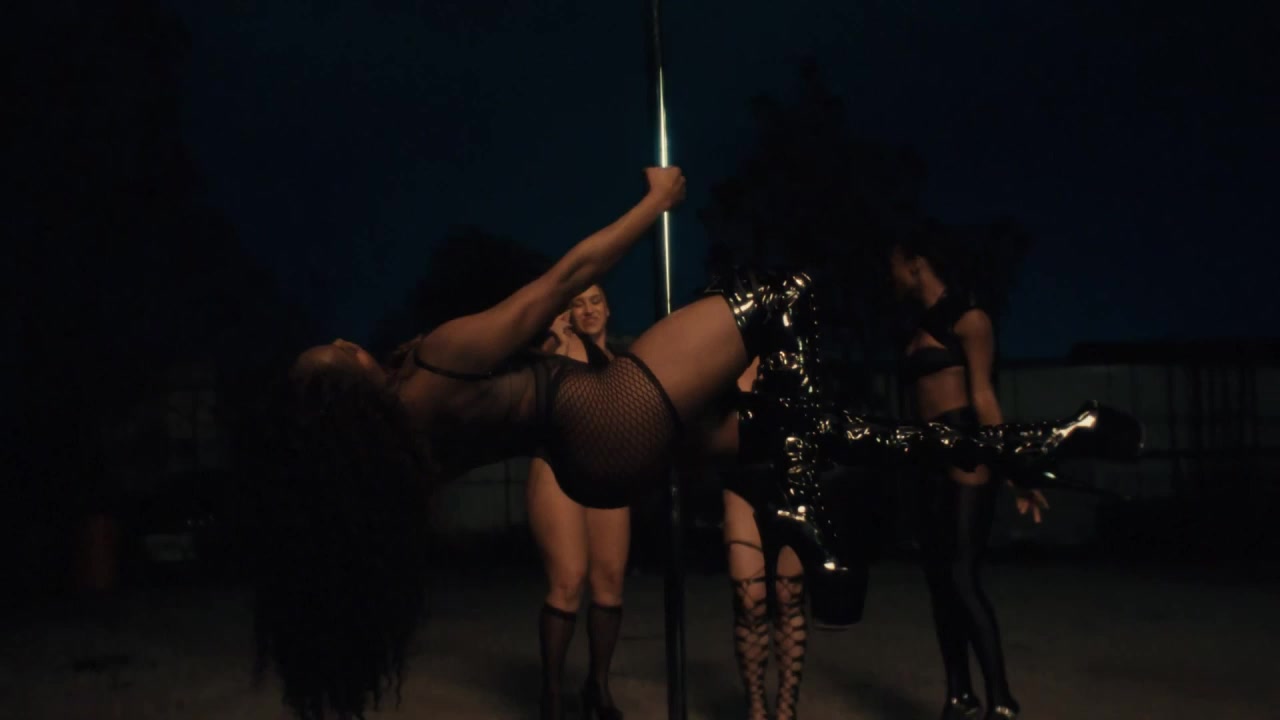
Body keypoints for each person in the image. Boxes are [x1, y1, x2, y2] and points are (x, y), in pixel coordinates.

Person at [256, 166, 1139, 720]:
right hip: (611, 410)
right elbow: (563, 280)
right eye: (336, 355)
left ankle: (1037, 443)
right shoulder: (436, 364)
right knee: (787, 297)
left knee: (813, 429)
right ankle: (804, 508)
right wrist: (656, 202)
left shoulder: (398, 454)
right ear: (344, 396)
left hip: (593, 462)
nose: (345, 340)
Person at [886, 231, 1050, 720]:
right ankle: (959, 696)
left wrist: (1016, 471)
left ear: (916, 263)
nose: (890, 275)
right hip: (926, 455)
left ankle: (1001, 698)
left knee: (962, 577)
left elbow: (983, 397)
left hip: (965, 449)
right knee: (939, 581)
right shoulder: (914, 324)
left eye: (894, 264)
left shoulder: (970, 318)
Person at [528, 286, 629, 720]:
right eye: (577, 302)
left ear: (609, 307)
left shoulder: (622, 363)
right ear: (566, 313)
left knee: (609, 582)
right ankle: (551, 695)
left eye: (595, 300)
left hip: (606, 473)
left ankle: (597, 687)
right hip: (558, 468)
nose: (588, 309)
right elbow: (531, 395)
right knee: (569, 580)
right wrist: (554, 340)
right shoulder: (558, 348)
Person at [722, 358, 808, 720]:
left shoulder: (792, 350)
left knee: (789, 597)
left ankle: (786, 710)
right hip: (741, 479)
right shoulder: (722, 358)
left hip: (791, 482)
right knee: (750, 599)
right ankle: (756, 709)